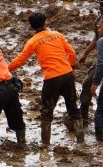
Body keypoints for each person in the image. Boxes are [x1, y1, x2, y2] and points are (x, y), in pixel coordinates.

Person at [9, 12, 83, 145]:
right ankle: (81, 141)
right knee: (73, 108)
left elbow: (21, 60)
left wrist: (6, 69)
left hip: (51, 79)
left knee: (47, 112)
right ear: (45, 22)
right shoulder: (58, 35)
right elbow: (71, 52)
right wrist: (71, 67)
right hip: (67, 76)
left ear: (31, 26)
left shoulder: (33, 41)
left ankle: (45, 145)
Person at [77, 0, 103, 120]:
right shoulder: (99, 20)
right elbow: (96, 38)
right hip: (101, 57)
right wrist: (85, 53)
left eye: (102, 4)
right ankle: (84, 113)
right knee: (88, 82)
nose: (100, 7)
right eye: (100, 3)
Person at [90, 18, 103, 140]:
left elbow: (101, 64)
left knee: (100, 110)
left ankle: (100, 139)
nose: (98, 29)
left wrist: (95, 83)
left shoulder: (101, 42)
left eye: (100, 27)